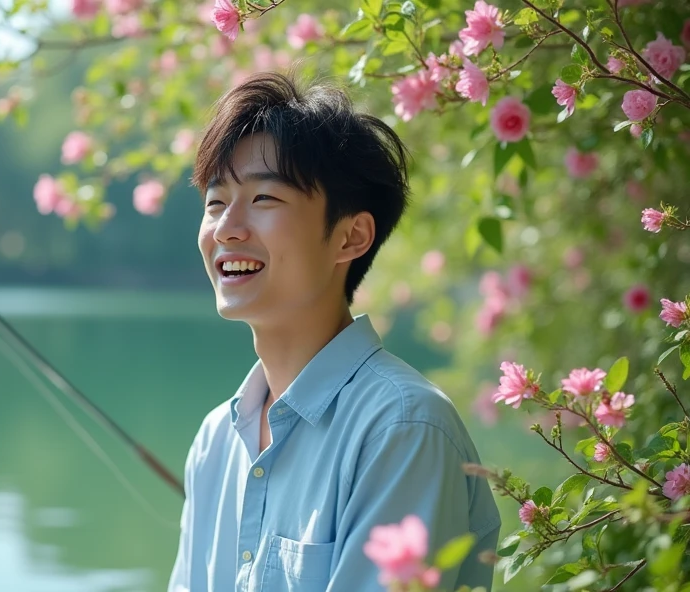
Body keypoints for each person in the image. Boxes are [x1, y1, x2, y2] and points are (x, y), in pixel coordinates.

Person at [166, 71, 501, 592]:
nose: (227, 227)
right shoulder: (216, 441)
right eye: (215, 202)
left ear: (351, 237)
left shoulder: (403, 428)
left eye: (264, 200)